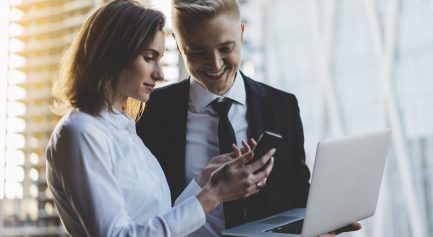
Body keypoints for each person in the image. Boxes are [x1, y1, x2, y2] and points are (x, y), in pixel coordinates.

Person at [45, 1, 275, 236]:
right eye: (148, 57)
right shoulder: (82, 132)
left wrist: (204, 180)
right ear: (114, 54)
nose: (160, 73)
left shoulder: (123, 128)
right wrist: (213, 195)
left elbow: (160, 220)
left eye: (160, 58)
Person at [136, 0, 361, 236]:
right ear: (179, 45)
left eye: (226, 48)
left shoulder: (282, 106)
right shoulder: (150, 111)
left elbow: (298, 195)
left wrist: (322, 226)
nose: (215, 64)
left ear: (241, 34)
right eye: (198, 52)